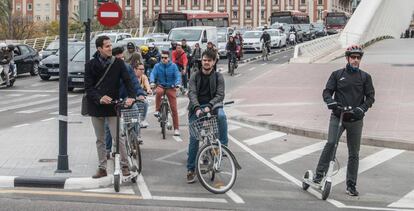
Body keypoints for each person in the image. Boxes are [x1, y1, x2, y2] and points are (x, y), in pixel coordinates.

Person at [312, 45, 375, 196]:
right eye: (353, 57)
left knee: (354, 153)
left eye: (358, 58)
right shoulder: (337, 74)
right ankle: (319, 175)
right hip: (338, 116)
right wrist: (330, 101)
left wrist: (362, 108)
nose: (355, 60)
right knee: (331, 143)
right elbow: (327, 92)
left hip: (355, 119)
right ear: (347, 58)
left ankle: (351, 185)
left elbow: (370, 97)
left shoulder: (365, 77)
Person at [84, 35, 137, 179]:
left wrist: (132, 96)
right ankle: (102, 168)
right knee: (100, 139)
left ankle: (125, 166)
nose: (110, 48)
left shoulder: (118, 63)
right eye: (107, 46)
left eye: (110, 45)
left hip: (113, 105)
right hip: (96, 106)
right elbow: (88, 88)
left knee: (117, 137)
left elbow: (128, 81)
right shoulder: (90, 65)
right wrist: (100, 98)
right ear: (99, 48)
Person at [186, 49, 228, 183]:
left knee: (221, 116)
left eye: (209, 61)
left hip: (213, 107)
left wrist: (210, 105)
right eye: (204, 60)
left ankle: (223, 145)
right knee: (194, 139)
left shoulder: (218, 77)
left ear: (214, 62)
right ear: (201, 61)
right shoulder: (194, 76)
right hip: (196, 109)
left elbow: (220, 95)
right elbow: (191, 93)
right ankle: (191, 169)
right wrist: (197, 108)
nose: (206, 63)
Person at [104, 47, 147, 159]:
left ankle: (134, 139)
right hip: (112, 101)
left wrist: (139, 94)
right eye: (119, 58)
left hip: (126, 99)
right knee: (108, 125)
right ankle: (107, 150)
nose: (122, 60)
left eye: (123, 58)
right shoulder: (107, 69)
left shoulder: (127, 68)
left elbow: (134, 83)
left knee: (135, 113)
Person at [150, 50, 182, 136]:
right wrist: (152, 81)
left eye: (165, 58)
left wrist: (177, 83)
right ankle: (157, 110)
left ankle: (176, 129)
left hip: (171, 87)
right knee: (159, 92)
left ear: (169, 58)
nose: (163, 59)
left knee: (174, 108)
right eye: (162, 58)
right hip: (161, 85)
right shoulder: (157, 66)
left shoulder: (174, 66)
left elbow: (177, 75)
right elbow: (153, 74)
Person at [133, 62, 152, 127]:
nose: (142, 71)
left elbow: (147, 84)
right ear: (135, 69)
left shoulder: (143, 77)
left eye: (143, 69)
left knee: (145, 103)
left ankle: (142, 119)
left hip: (140, 96)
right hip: (131, 96)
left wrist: (149, 90)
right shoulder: (131, 76)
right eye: (140, 69)